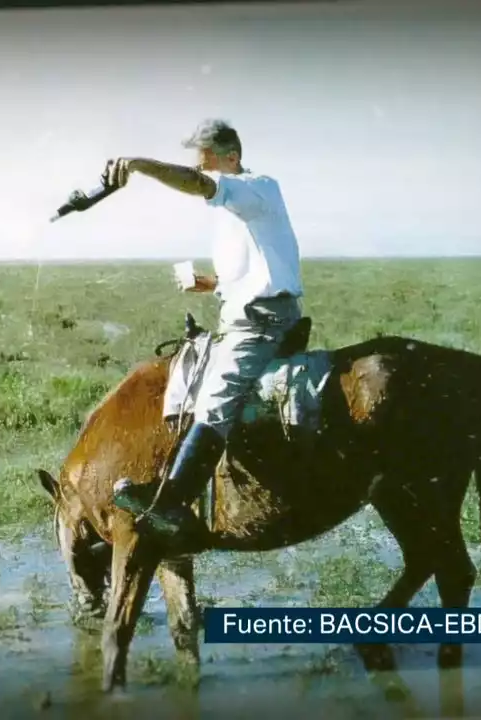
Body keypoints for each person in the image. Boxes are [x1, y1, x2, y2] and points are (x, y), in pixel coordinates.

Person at [103, 118, 305, 540]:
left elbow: (199, 185)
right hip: (243, 316)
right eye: (201, 168)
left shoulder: (257, 187)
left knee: (216, 398)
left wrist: (140, 165)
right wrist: (210, 284)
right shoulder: (240, 211)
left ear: (233, 157)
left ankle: (173, 503)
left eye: (208, 167)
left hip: (262, 324)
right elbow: (259, 272)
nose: (203, 178)